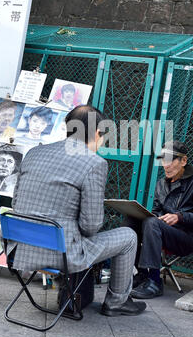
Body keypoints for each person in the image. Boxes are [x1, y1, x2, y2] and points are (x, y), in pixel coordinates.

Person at [8, 104, 146, 317]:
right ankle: (117, 302)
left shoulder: (34, 153)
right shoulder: (94, 163)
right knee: (128, 236)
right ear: (98, 133)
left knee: (70, 232)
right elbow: (91, 226)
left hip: (19, 249)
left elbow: (16, 202)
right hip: (60, 254)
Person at [124, 140, 193, 299]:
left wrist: (180, 217)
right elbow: (157, 211)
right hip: (160, 231)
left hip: (186, 238)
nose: (166, 165)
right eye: (163, 160)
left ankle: (155, 281)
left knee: (151, 223)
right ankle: (141, 273)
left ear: (183, 161)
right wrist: (149, 214)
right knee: (133, 220)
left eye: (170, 160)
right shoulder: (161, 184)